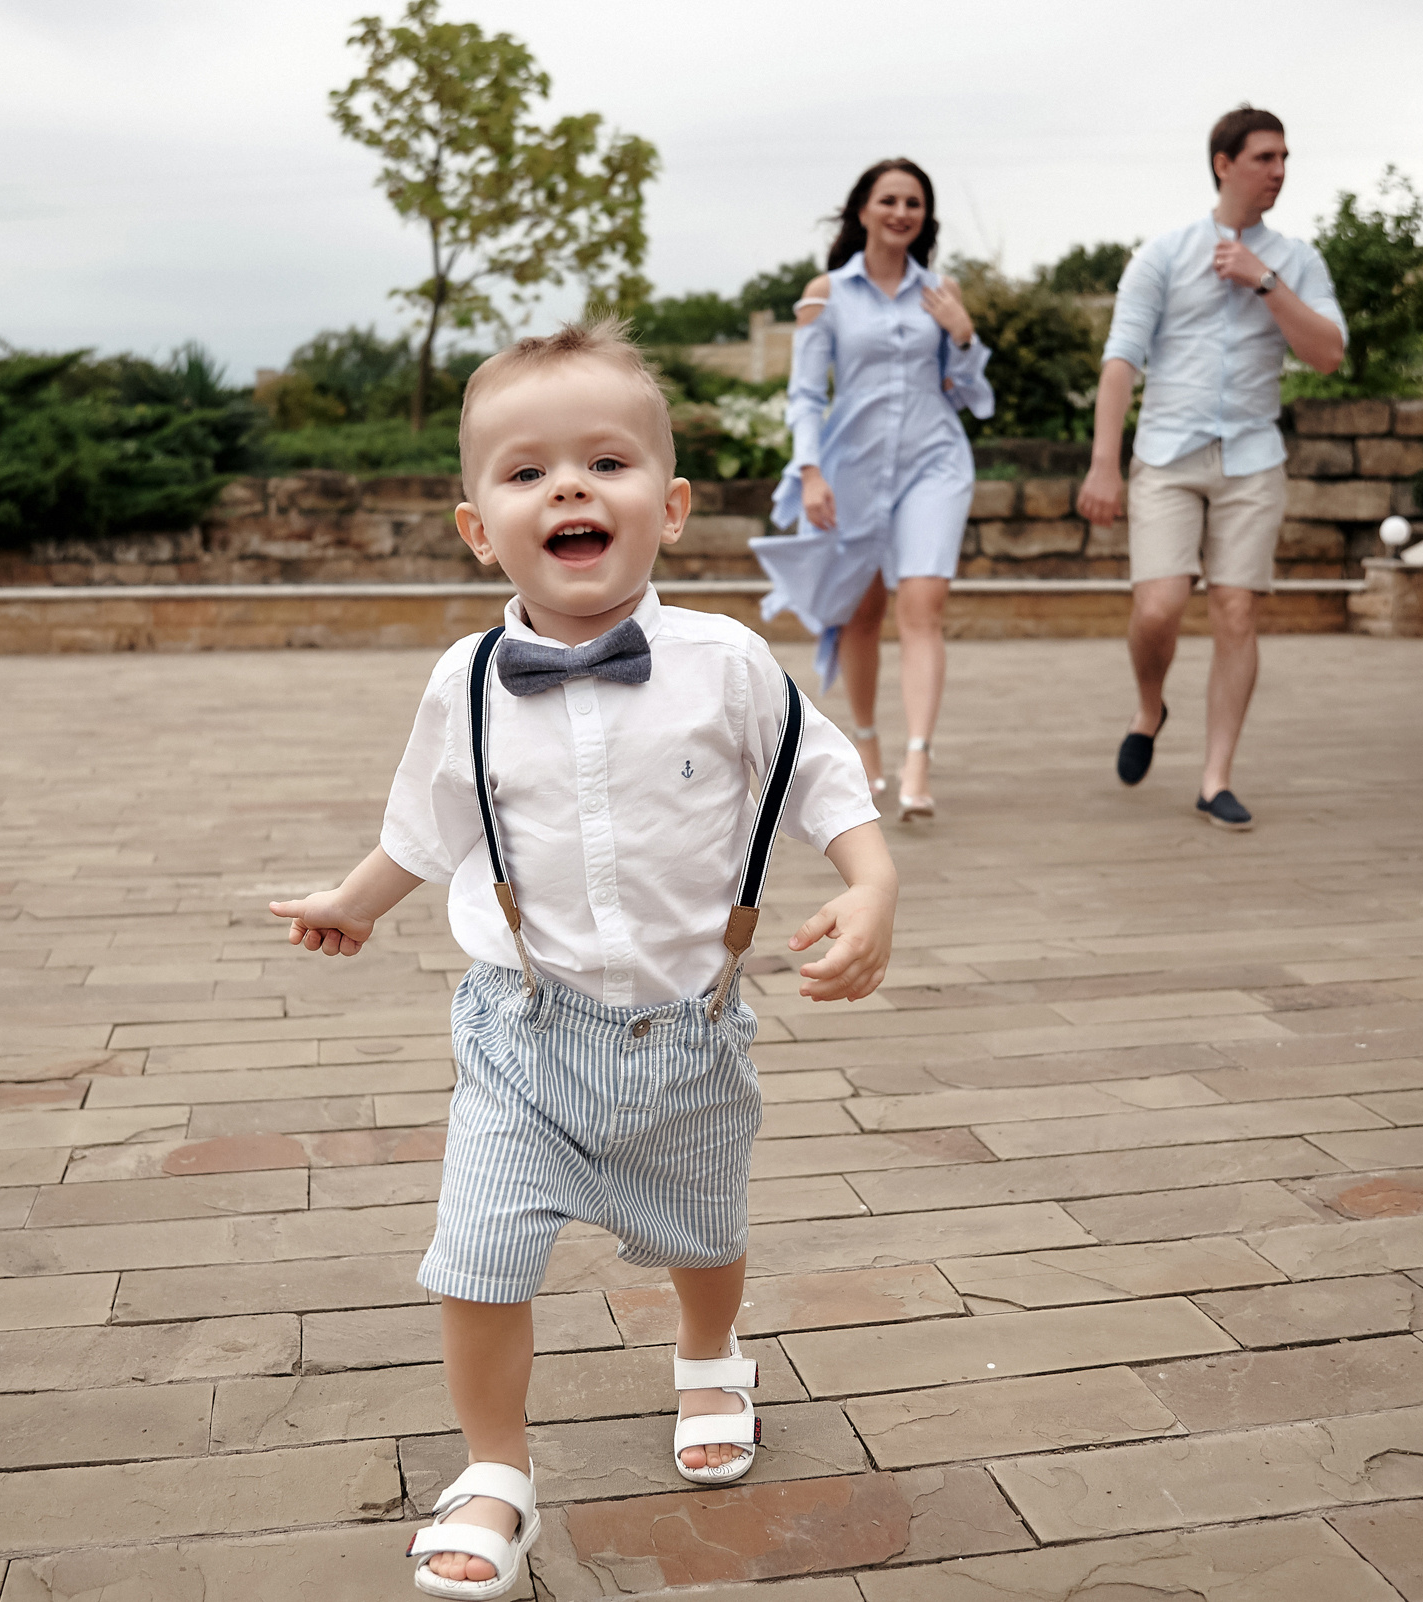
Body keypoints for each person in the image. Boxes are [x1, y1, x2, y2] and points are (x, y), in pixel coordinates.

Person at [268, 322, 897, 1598]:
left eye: (604, 462)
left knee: (703, 1230)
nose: (567, 488)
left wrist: (873, 882)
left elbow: (820, 774)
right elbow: (429, 820)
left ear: (666, 507)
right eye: (526, 472)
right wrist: (358, 899)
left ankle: (711, 1357)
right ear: (475, 526)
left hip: (690, 1026)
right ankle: (495, 1468)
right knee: (476, 1250)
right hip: (521, 1031)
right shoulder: (470, 678)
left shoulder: (724, 662)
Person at [1076, 106, 1346, 830]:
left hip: (1254, 460)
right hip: (1166, 456)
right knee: (1158, 608)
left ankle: (1215, 778)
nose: (1279, 171)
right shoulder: (1162, 254)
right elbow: (1120, 360)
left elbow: (1327, 353)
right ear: (1224, 163)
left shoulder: (1298, 260)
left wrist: (1266, 282)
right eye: (1265, 157)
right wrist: (1105, 463)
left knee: (1235, 609)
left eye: (1286, 157)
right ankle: (1148, 705)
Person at [752, 157, 994, 822]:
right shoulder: (825, 293)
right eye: (889, 199)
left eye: (913, 202)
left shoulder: (938, 291)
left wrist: (965, 336)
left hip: (934, 464)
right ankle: (867, 745)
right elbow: (804, 394)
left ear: (924, 217)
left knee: (924, 603)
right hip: (851, 467)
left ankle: (919, 759)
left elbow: (973, 397)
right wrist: (809, 471)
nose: (901, 212)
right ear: (863, 210)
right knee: (860, 613)